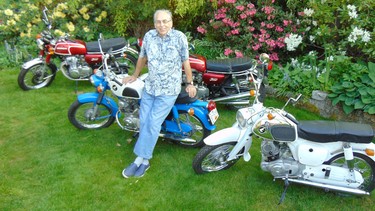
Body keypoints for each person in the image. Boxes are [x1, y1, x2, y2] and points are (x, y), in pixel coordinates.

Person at [121, 9, 197, 178]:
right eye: (158, 22)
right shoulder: (149, 36)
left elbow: (186, 61)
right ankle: (145, 162)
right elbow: (142, 57)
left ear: (171, 22)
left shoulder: (179, 38)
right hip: (150, 87)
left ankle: (139, 160)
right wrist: (134, 75)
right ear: (154, 23)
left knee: (153, 123)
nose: (162, 25)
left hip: (168, 90)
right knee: (144, 121)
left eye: (165, 21)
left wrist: (190, 83)